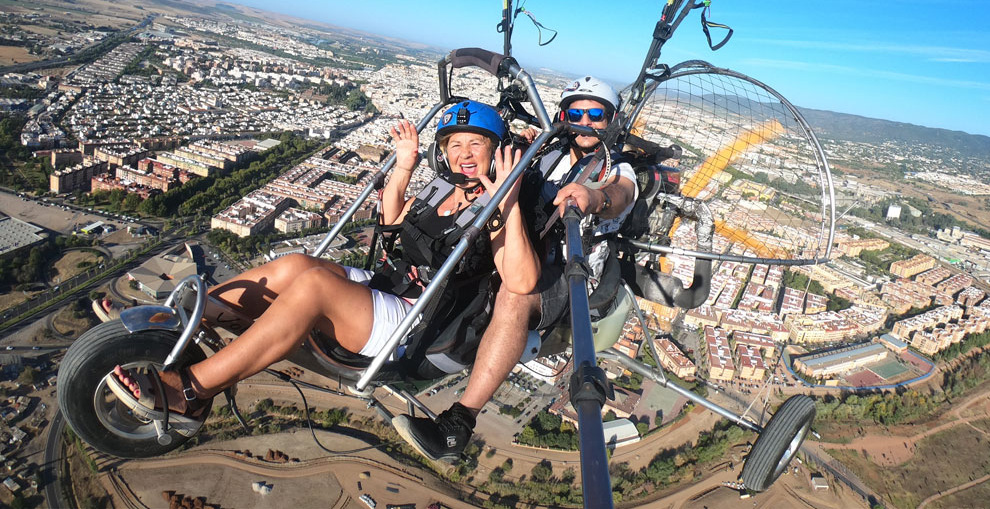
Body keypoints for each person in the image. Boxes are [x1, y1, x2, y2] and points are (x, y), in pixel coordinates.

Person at [102, 100, 540, 438]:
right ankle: (184, 322)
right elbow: (390, 230)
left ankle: (191, 394)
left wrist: (508, 201)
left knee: (313, 286)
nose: (465, 154)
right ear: (442, 153)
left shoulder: (497, 207)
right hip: (386, 286)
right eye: (455, 144)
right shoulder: (443, 187)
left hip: (416, 323)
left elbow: (521, 282)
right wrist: (403, 166)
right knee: (295, 265)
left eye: (476, 144)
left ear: (494, 151)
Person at [392, 76, 639, 461]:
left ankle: (459, 424)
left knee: (514, 293)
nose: (585, 121)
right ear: (563, 116)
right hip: (530, 246)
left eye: (596, 114)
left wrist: (593, 198)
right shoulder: (551, 153)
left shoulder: (617, 168)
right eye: (576, 112)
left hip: (569, 271)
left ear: (612, 119)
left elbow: (619, 196)